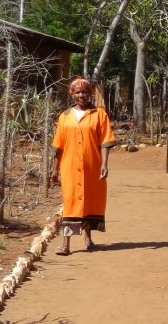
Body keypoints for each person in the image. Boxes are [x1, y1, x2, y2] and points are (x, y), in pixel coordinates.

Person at [51, 77, 117, 255]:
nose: (82, 95)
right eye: (78, 92)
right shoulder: (64, 117)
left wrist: (104, 164)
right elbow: (59, 146)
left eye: (85, 91)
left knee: (88, 201)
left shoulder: (99, 114)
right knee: (71, 203)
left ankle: (88, 239)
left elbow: (105, 141)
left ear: (91, 93)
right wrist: (55, 169)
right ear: (72, 94)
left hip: (92, 167)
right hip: (70, 167)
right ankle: (66, 244)